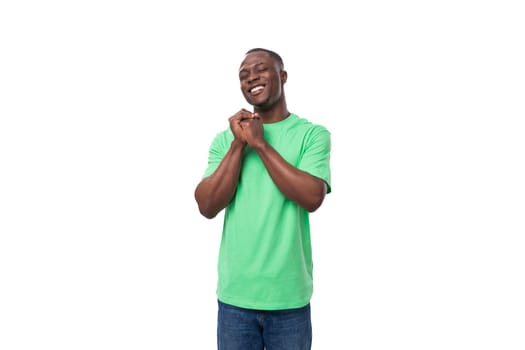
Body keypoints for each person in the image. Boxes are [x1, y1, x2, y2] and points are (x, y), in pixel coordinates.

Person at [194, 48, 331, 350]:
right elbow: (207, 205)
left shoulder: (312, 135)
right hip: (235, 300)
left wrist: (261, 145)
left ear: (283, 76)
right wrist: (238, 146)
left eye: (260, 69)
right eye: (243, 75)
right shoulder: (225, 139)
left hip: (289, 299)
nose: (251, 77)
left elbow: (312, 197)